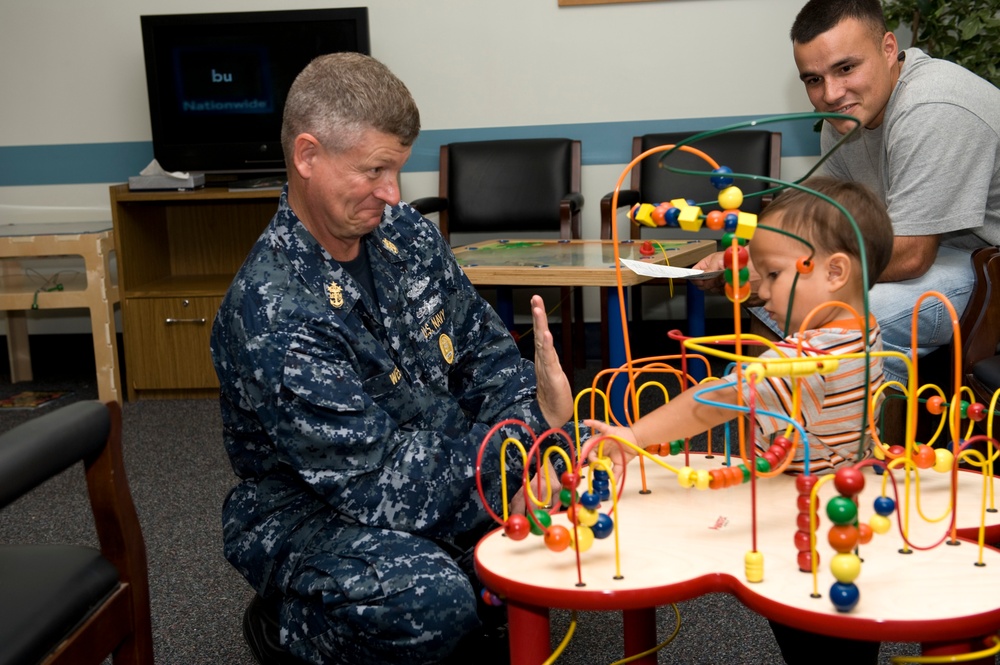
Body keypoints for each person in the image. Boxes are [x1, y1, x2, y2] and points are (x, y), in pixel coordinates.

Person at [210, 52, 575, 665]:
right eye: (374, 170)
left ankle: (481, 579)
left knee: (594, 473)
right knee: (432, 602)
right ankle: (289, 624)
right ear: (307, 156)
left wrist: (533, 445)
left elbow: (486, 352)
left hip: (446, 459)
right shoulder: (274, 311)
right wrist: (524, 454)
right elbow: (381, 484)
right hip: (320, 507)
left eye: (397, 170)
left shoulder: (405, 232)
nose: (393, 194)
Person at [587, 177, 894, 664]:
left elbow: (708, 403)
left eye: (772, 275)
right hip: (847, 510)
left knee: (816, 640)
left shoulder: (808, 361)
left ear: (835, 271)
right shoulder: (867, 330)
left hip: (805, 525)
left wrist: (634, 435)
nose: (760, 291)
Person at [695, 0, 1000, 388]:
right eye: (813, 80)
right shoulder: (846, 116)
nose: (831, 93)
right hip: (940, 254)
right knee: (779, 298)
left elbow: (910, 256)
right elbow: (821, 220)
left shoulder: (934, 106)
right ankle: (785, 437)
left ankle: (867, 446)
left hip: (985, 264)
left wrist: (783, 270)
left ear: (889, 48)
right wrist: (746, 258)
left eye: (846, 68)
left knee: (849, 318)